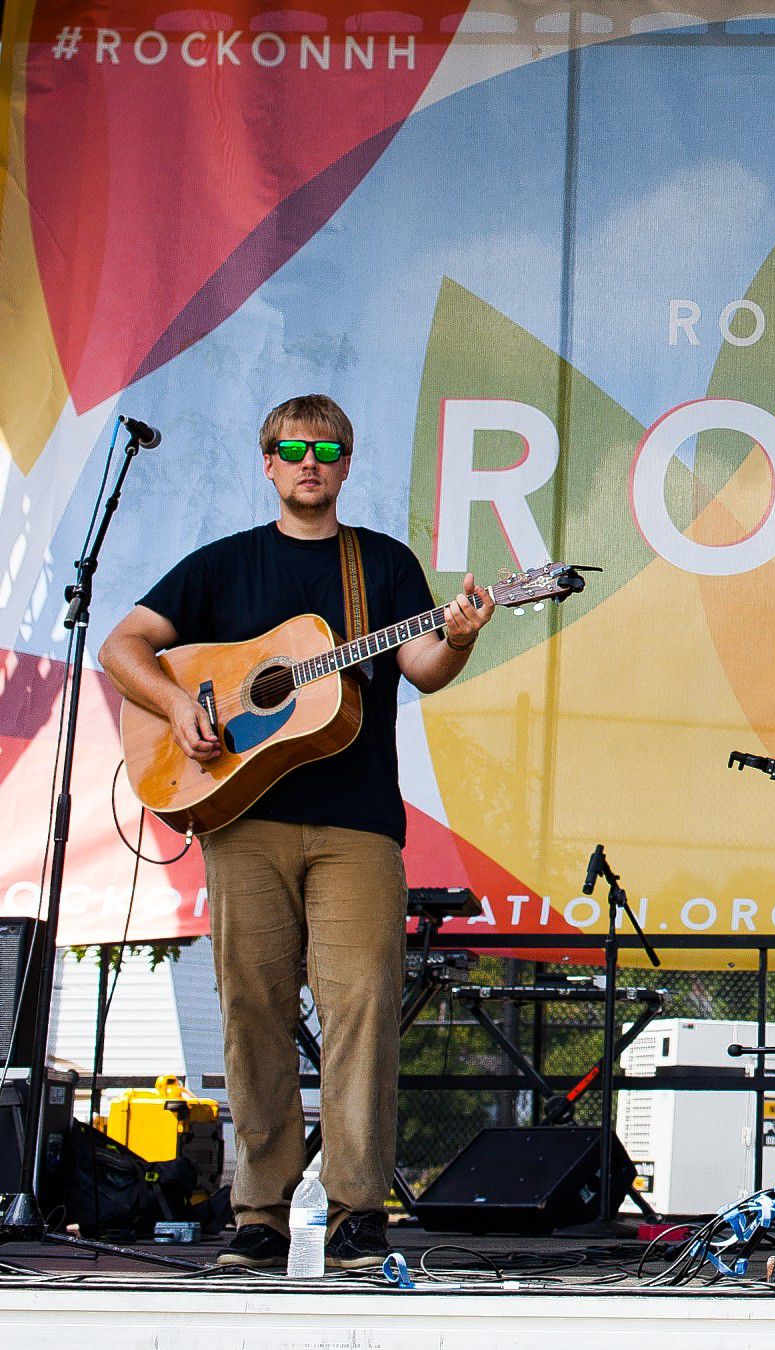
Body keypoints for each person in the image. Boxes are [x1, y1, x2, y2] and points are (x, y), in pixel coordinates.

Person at [100, 395, 492, 1270]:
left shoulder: (380, 566)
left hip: (357, 827)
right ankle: (260, 1213)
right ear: (268, 464)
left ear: (347, 465)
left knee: (361, 1005)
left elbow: (423, 667)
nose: (309, 460)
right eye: (292, 448)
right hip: (243, 819)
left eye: (327, 448)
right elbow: (123, 645)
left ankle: (358, 1213)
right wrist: (177, 703)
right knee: (252, 1010)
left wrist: (459, 636)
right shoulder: (222, 567)